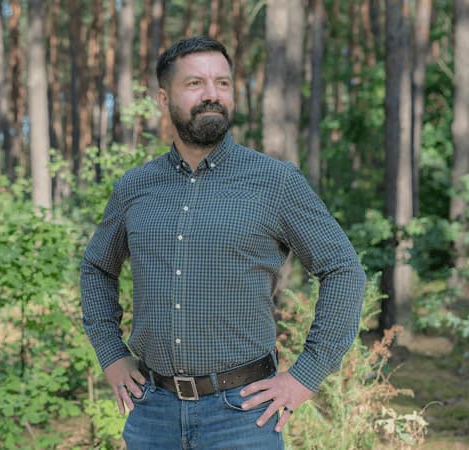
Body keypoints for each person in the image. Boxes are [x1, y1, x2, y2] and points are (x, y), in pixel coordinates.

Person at [80, 36, 366, 449]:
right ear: (164, 99)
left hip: (244, 415)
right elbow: (96, 268)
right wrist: (111, 354)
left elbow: (343, 270)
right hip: (152, 414)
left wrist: (304, 377)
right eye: (195, 83)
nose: (212, 94)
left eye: (223, 83)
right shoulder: (134, 187)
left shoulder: (276, 182)